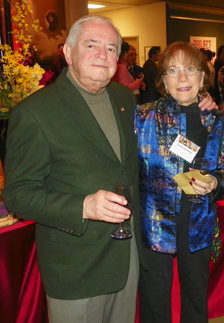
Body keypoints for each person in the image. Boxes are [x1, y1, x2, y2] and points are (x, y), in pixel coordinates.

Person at [3, 15, 142, 323]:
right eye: (91, 45)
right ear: (67, 52)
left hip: (126, 253)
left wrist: (197, 103)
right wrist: (83, 206)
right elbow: (18, 195)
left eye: (110, 48)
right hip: (76, 264)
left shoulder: (123, 98)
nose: (102, 55)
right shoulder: (35, 113)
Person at [136, 41, 224, 323]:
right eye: (173, 70)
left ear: (203, 77)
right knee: (154, 300)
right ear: (163, 80)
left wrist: (216, 183)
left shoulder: (220, 122)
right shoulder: (142, 117)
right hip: (154, 222)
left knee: (195, 299)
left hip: (198, 221)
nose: (182, 78)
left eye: (190, 69)